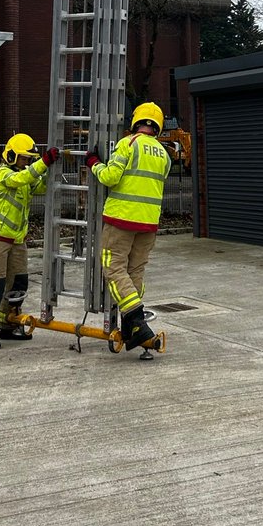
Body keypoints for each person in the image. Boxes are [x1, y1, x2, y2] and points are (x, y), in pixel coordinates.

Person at [84, 101, 172, 354]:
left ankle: (136, 321)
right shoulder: (164, 154)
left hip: (121, 219)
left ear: (136, 122)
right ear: (157, 125)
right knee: (136, 271)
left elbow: (110, 177)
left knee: (113, 268)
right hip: (149, 223)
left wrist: (93, 163)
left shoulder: (128, 143)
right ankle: (133, 326)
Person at [0, 133, 59, 350]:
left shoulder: (24, 175)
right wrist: (43, 162)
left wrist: (50, 169)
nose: (26, 163)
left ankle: (7, 324)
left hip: (16, 240)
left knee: (18, 284)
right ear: (10, 155)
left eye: (29, 159)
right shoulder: (3, 174)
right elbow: (22, 179)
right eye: (23, 158)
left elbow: (39, 186)